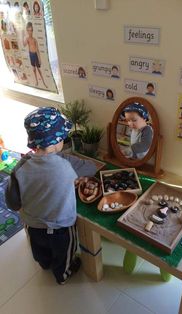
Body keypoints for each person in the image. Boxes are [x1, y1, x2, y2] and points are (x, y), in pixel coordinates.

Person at [5, 107, 97, 285]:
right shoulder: (67, 163)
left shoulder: (20, 167)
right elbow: (91, 168)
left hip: (32, 225)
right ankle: (63, 274)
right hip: (61, 226)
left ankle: (45, 264)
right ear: (56, 142)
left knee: (40, 251)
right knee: (65, 253)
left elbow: (12, 202)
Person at [23, 22, 47, 88]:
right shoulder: (27, 39)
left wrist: (39, 59)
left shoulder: (34, 40)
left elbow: (38, 50)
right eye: (28, 30)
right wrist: (23, 36)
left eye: (31, 30)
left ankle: (44, 82)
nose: (30, 32)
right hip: (31, 55)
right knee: (34, 69)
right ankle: (36, 81)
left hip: (35, 54)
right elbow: (24, 45)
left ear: (32, 31)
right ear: (27, 31)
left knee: (39, 69)